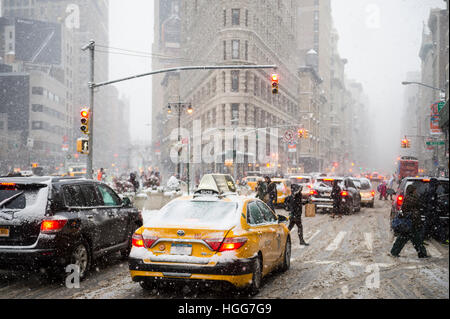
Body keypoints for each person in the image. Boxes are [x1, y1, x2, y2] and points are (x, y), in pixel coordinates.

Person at [390, 184, 428, 258]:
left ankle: (394, 251)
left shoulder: (408, 198)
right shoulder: (412, 198)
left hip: (410, 222)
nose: (416, 191)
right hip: (411, 222)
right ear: (412, 191)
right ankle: (422, 253)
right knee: (415, 239)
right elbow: (417, 206)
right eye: (415, 190)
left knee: (405, 238)